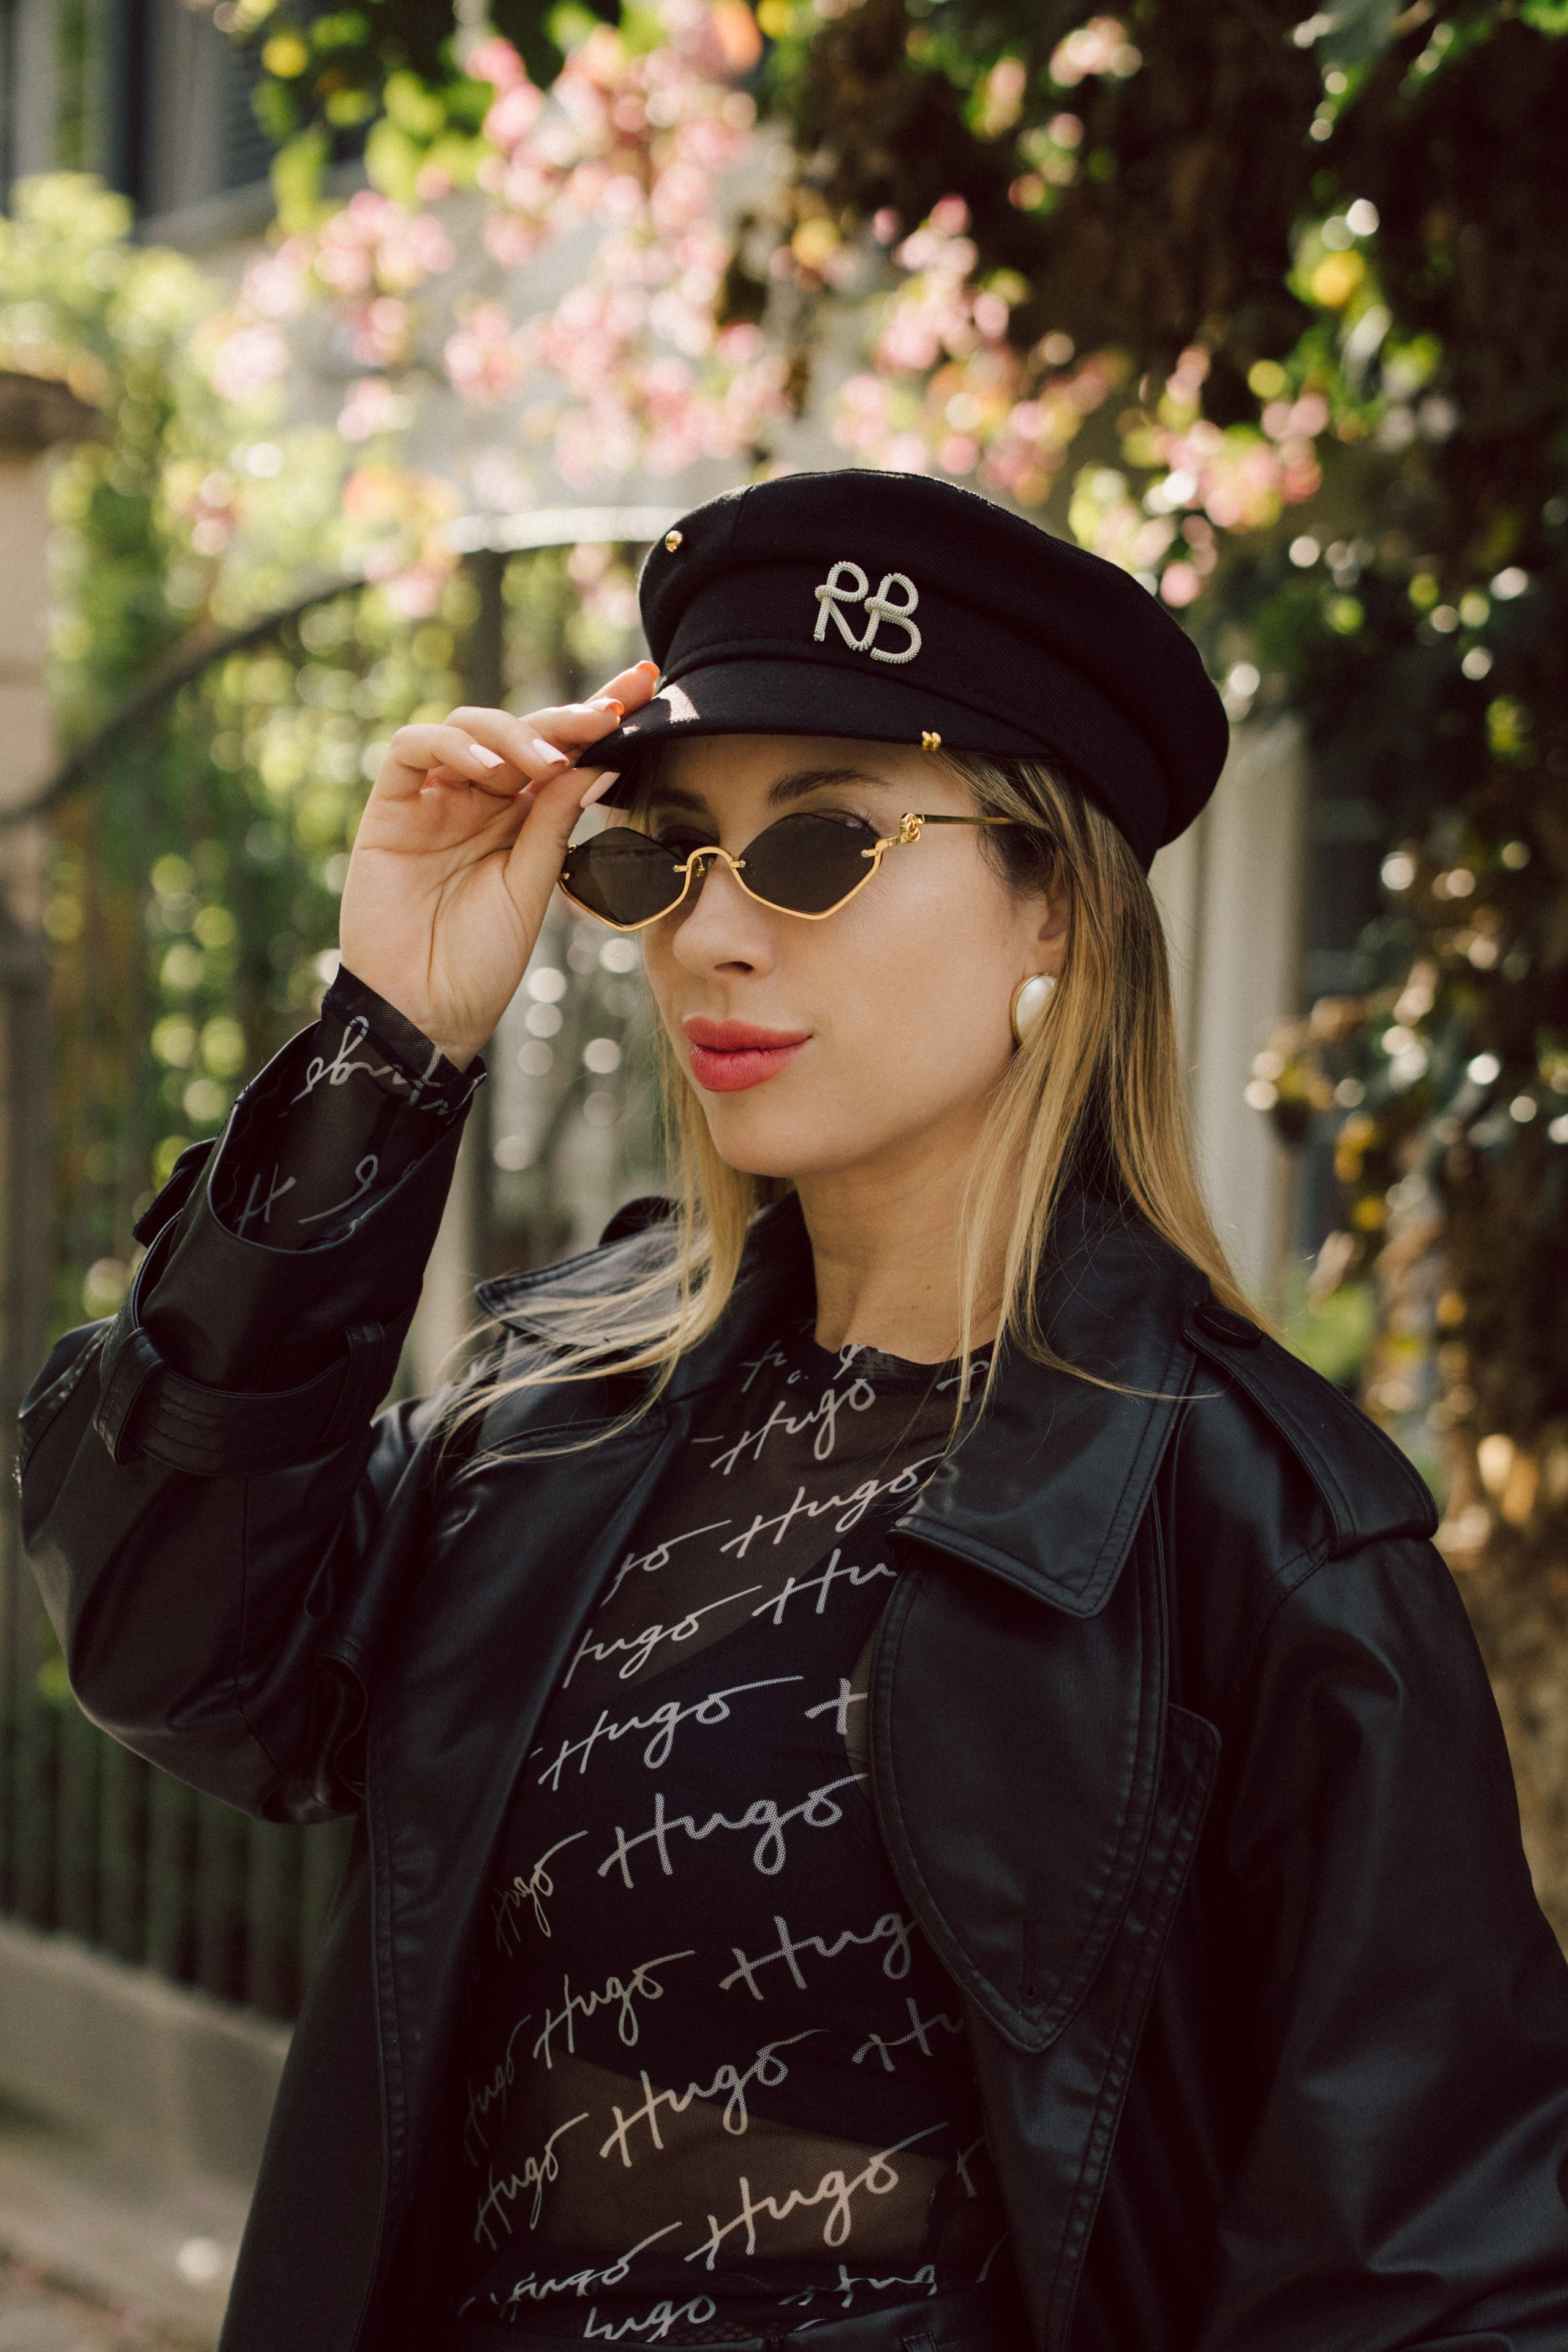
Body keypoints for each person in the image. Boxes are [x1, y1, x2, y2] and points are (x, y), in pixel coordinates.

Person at [18, 471, 1568, 2352]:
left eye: (820, 846)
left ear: (1056, 905)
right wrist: (388, 1035)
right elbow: (177, 1652)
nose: (710, 935)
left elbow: (1424, 2284)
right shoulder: (558, 1415)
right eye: (658, 855)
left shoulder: (1270, 1539)